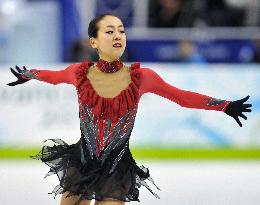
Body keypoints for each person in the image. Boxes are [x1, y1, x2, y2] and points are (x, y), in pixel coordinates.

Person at [7, 14, 252, 205]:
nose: (118, 35)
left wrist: (225, 106)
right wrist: (30, 75)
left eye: (122, 31)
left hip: (117, 169)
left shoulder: (143, 77)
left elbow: (182, 97)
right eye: (110, 31)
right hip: (82, 163)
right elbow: (54, 75)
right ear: (94, 41)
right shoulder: (79, 74)